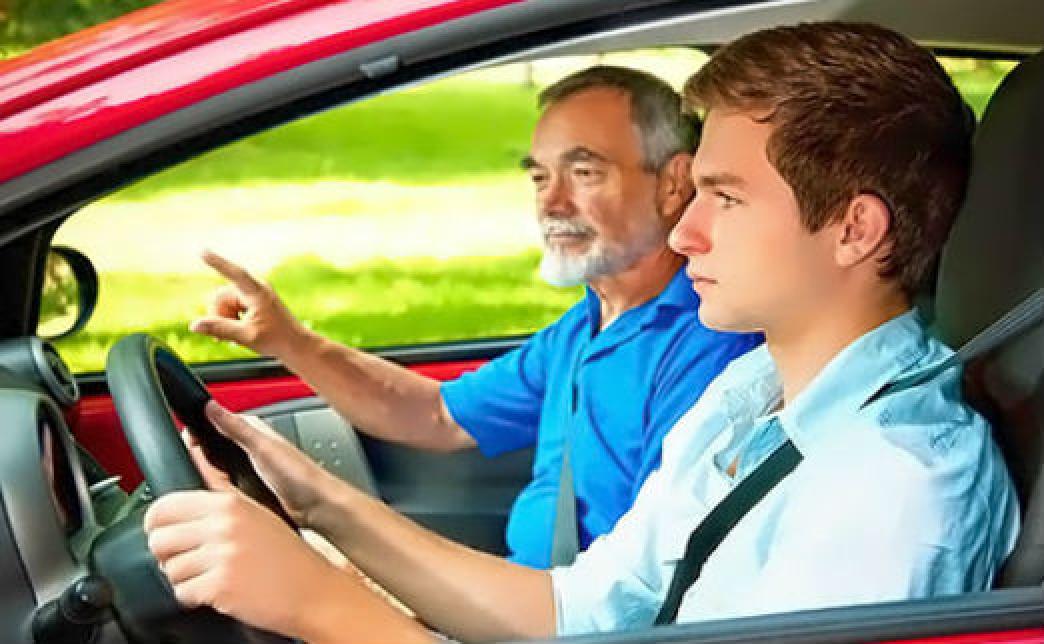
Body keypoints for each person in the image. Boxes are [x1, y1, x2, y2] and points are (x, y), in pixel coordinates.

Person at [143, 22, 1019, 643]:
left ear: (854, 230)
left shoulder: (892, 489)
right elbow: (578, 610)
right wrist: (317, 504)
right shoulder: (754, 393)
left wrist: (321, 607)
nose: (687, 232)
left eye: (726, 197)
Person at [190, 65, 761, 569]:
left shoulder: (709, 341)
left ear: (673, 183)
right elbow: (437, 415)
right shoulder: (586, 325)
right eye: (539, 177)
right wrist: (289, 341)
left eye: (584, 173)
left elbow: (652, 577)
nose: (552, 203)